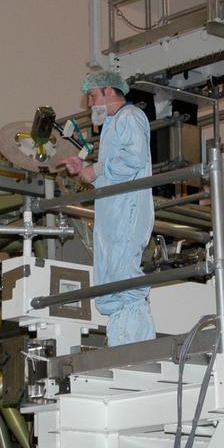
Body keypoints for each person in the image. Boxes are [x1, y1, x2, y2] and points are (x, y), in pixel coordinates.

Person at [58, 68, 156, 346]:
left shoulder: (131, 117)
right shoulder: (114, 124)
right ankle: (122, 344)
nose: (90, 104)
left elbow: (132, 160)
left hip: (126, 210)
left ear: (110, 91)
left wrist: (97, 169)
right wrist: (86, 169)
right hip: (112, 212)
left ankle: (137, 348)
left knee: (124, 276)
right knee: (110, 279)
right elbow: (113, 168)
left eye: (92, 96)